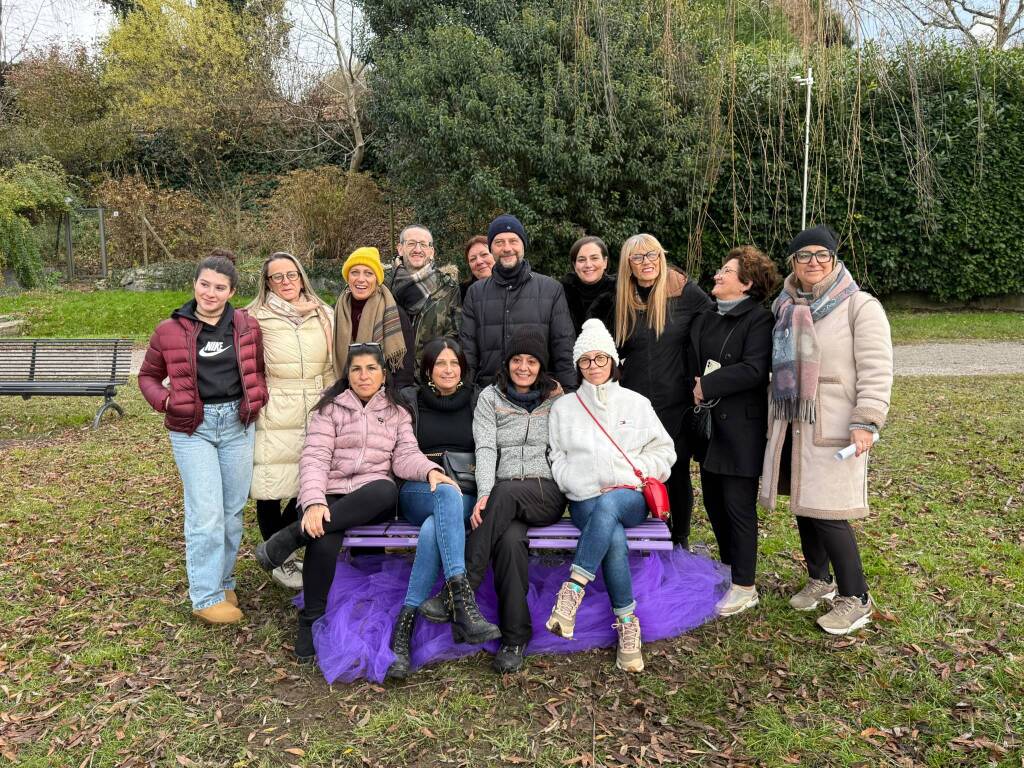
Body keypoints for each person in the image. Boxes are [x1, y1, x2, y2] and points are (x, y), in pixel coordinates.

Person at [254, 344, 461, 662]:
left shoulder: (396, 412)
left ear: (383, 374)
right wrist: (312, 503)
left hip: (370, 498)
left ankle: (294, 535)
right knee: (323, 538)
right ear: (347, 375)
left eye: (371, 369)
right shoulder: (330, 409)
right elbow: (314, 459)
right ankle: (310, 619)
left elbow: (405, 456)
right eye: (357, 369)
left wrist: (430, 470)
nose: (364, 376)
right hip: (329, 495)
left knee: (385, 489)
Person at [759, 225, 893, 635]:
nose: (813, 262)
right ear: (793, 263)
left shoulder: (859, 306)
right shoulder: (784, 306)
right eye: (804, 256)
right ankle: (821, 580)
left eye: (822, 255)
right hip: (791, 421)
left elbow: (876, 367)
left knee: (831, 512)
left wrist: (866, 420)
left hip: (834, 424)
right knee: (804, 505)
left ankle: (856, 597)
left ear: (834, 259)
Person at [138, 250, 268, 624]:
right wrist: (165, 401)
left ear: (232, 291)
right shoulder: (169, 330)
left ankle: (224, 581)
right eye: (204, 284)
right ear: (194, 283)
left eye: (220, 287)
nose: (210, 293)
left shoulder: (246, 326)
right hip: (192, 429)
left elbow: (257, 369)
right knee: (206, 514)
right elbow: (147, 376)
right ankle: (205, 596)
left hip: (237, 426)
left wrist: (258, 397)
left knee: (231, 513)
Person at [545, 319, 676, 672]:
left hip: (629, 496)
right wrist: (576, 479)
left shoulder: (636, 403)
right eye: (586, 360)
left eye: (600, 359)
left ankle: (572, 590)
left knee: (612, 507)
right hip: (585, 498)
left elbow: (665, 451)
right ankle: (628, 626)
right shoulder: (563, 408)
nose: (594, 367)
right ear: (578, 366)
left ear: (613, 361)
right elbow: (556, 456)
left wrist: (626, 472)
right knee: (612, 535)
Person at [388, 339, 501, 679]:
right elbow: (400, 453)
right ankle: (462, 599)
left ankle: (402, 634)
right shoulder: (410, 403)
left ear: (463, 369)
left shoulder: (480, 402)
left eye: (454, 363)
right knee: (445, 498)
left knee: (431, 528)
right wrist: (431, 472)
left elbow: (489, 450)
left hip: (464, 494)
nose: (448, 369)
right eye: (440, 363)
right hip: (419, 488)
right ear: (428, 370)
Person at [461, 327, 565, 673]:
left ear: (542, 366)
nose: (523, 367)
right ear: (507, 364)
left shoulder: (557, 401)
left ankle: (461, 592)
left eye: (531, 361)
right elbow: (486, 448)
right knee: (508, 542)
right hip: (505, 496)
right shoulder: (490, 398)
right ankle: (515, 638)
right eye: (517, 360)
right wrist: (486, 492)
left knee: (504, 494)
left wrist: (493, 496)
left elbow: (566, 449)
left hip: (545, 492)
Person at [688, 246, 779, 616]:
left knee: (737, 507)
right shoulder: (707, 315)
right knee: (713, 502)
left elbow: (755, 369)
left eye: (726, 271)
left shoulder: (758, 320)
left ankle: (745, 586)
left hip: (740, 429)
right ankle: (728, 567)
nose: (717, 275)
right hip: (709, 428)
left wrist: (706, 386)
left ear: (746, 283)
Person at [614, 234, 712, 548]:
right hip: (634, 401)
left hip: (675, 400)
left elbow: (716, 324)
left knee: (677, 469)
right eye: (638, 258)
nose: (647, 263)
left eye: (653, 255)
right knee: (638, 471)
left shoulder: (683, 292)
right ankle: (645, 534)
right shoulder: (620, 298)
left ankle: (679, 538)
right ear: (628, 264)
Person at [246, 252, 335, 590]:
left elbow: (332, 363)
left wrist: (331, 401)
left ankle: (278, 546)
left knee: (310, 481)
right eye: (277, 277)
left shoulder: (323, 314)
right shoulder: (255, 317)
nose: (286, 282)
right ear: (267, 282)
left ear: (302, 276)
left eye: (291, 275)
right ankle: (280, 561)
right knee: (271, 485)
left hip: (316, 403)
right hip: (275, 405)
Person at [460, 214, 577, 390]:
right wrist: (466, 393)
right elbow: (468, 352)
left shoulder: (551, 289)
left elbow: (564, 347)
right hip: (489, 395)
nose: (507, 248)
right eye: (499, 242)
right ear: (492, 248)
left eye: (513, 241)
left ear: (523, 245)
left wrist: (569, 392)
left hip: (540, 395)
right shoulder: (475, 293)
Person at [334, 247, 415, 388]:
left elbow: (404, 370)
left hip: (384, 396)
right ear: (347, 277)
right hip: (344, 393)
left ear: (377, 279)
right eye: (354, 272)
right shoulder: (336, 311)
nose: (361, 279)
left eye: (368, 273)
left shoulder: (394, 313)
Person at [384, 224, 462, 363]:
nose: (417, 249)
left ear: (432, 251)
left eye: (423, 245)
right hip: (389, 374)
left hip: (429, 372)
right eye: (411, 244)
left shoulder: (448, 287)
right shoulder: (382, 283)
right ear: (400, 249)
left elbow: (454, 334)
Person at [561, 235, 616, 335]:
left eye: (594, 258)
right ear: (574, 265)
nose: (588, 265)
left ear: (605, 262)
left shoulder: (621, 291)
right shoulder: (561, 293)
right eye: (581, 260)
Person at [460, 235, 494, 301]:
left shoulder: (515, 285)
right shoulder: (461, 294)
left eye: (484, 255)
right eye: (473, 259)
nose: (479, 262)